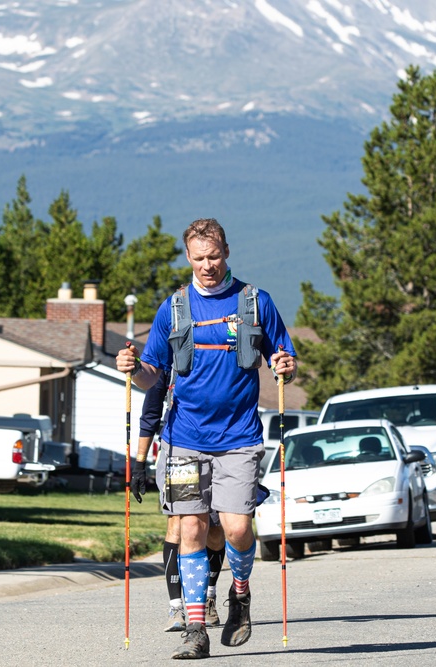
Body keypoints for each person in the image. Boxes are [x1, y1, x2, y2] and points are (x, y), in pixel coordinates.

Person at [117, 218, 297, 660]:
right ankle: (195, 628)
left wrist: (285, 366)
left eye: (214, 256)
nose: (207, 266)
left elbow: (283, 354)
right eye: (199, 259)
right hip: (184, 439)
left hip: (238, 436)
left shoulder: (255, 302)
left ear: (227, 252)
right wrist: (132, 367)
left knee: (236, 528)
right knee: (191, 528)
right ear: (188, 258)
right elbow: (152, 377)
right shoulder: (174, 308)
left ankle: (240, 591)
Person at [132, 371, 227, 631]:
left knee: (216, 531)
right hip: (179, 450)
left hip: (222, 449)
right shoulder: (167, 365)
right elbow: (150, 413)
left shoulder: (219, 356)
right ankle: (176, 608)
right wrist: (139, 464)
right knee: (178, 525)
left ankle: (208, 596)